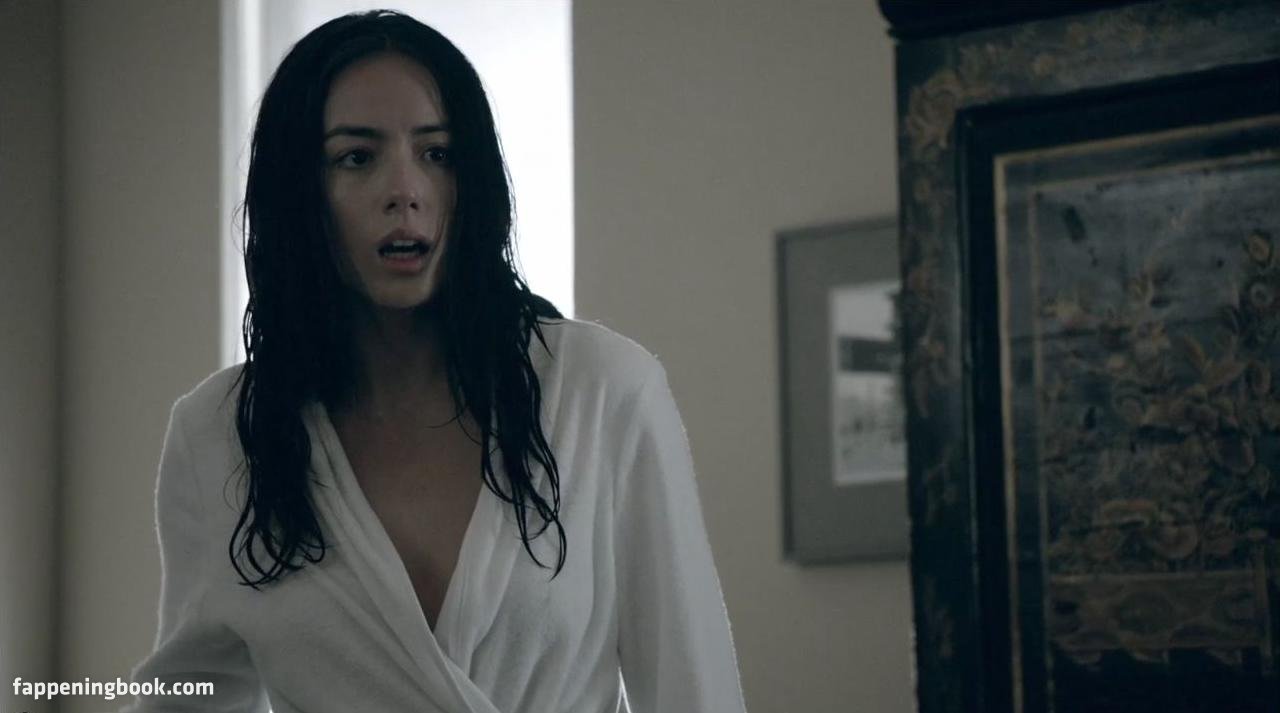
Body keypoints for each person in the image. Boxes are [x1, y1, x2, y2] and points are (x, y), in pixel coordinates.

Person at [120, 9, 746, 713]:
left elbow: (694, 689)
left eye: (437, 154)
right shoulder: (218, 435)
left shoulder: (603, 391)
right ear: (299, 192)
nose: (405, 190)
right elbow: (189, 695)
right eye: (357, 158)